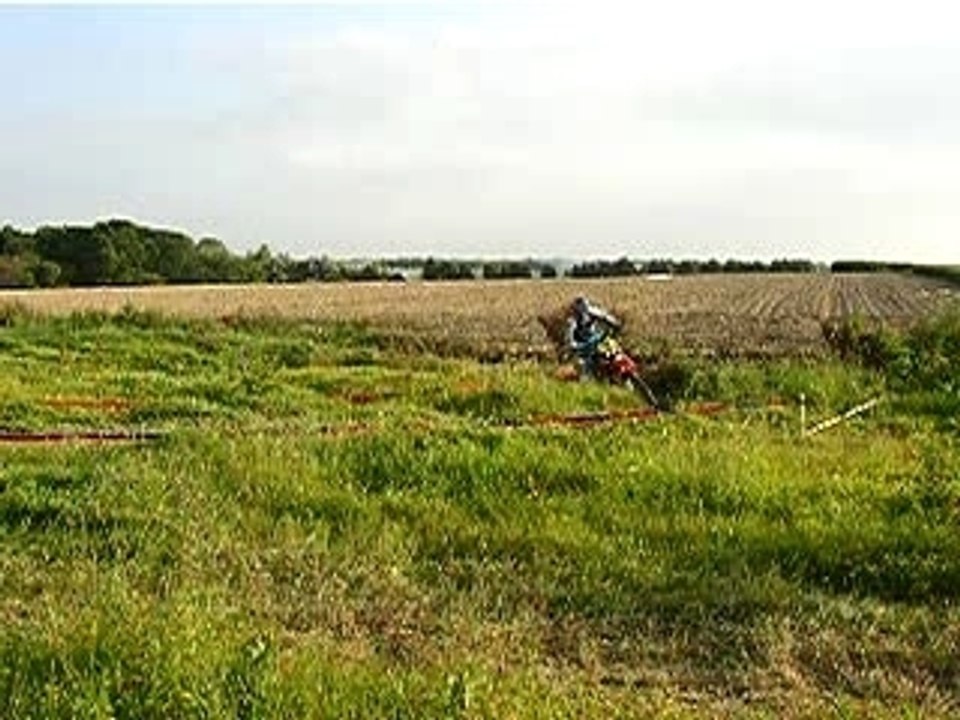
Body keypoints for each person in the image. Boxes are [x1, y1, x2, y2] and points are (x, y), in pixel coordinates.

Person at [566, 296, 622, 378]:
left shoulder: (592, 312)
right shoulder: (573, 320)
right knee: (585, 363)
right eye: (580, 310)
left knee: (614, 348)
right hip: (584, 345)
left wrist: (614, 323)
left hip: (597, 338)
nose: (583, 313)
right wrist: (573, 344)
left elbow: (604, 316)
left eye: (584, 309)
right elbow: (570, 334)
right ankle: (587, 378)